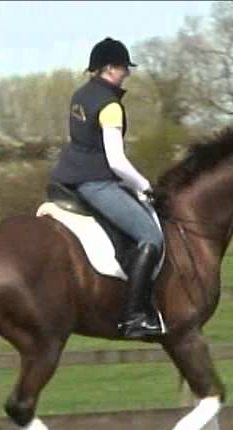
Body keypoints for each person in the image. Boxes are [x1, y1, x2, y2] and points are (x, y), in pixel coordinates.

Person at [50, 37, 164, 339]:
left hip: (67, 178)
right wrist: (145, 186)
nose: (127, 73)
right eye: (124, 68)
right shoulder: (110, 106)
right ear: (110, 68)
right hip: (96, 183)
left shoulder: (80, 96)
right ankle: (135, 316)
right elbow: (116, 161)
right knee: (151, 236)